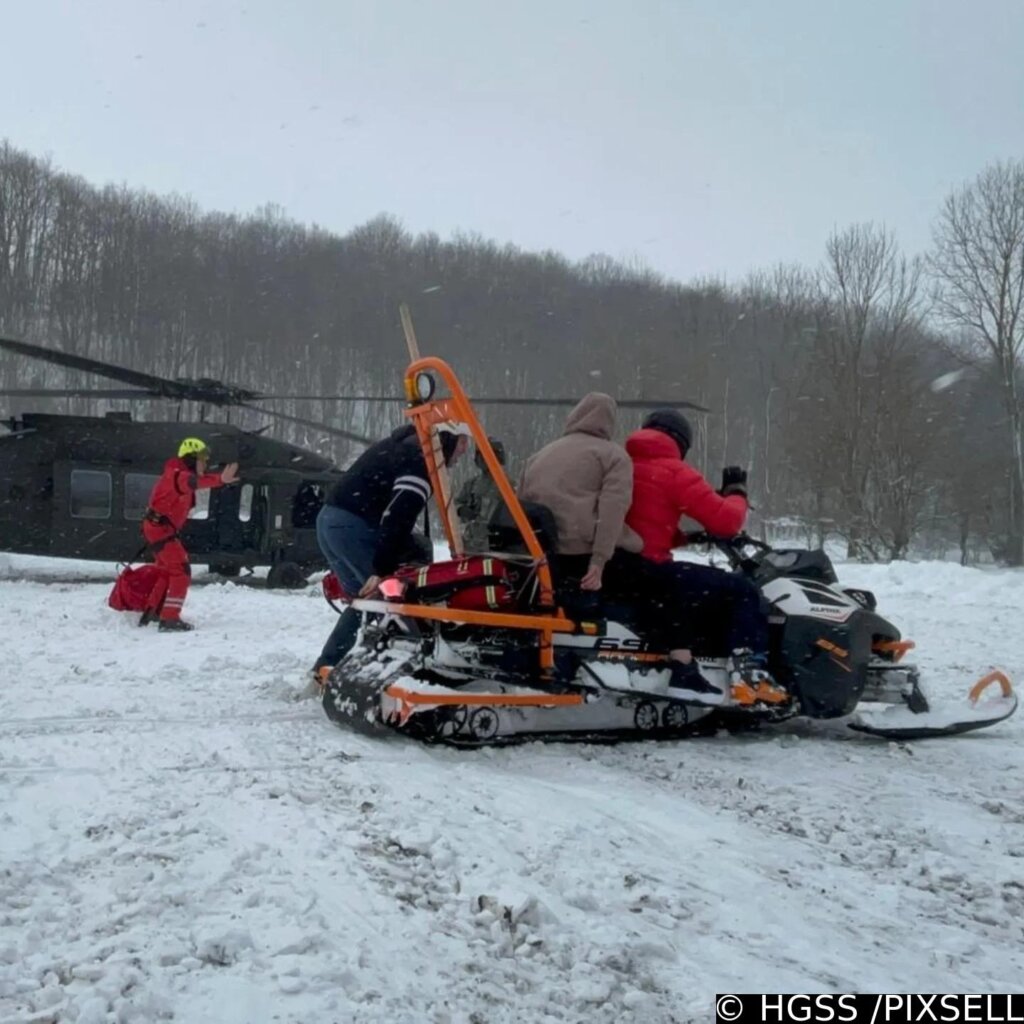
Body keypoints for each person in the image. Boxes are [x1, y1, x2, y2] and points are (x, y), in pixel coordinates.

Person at [625, 408, 774, 704]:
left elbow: (641, 521)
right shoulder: (674, 471)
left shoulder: (621, 464)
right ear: (681, 442)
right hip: (651, 570)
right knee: (742, 591)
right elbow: (727, 521)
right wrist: (736, 494)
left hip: (619, 566)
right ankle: (748, 674)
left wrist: (688, 536)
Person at [312, 420, 470, 678]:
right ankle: (410, 674)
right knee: (393, 598)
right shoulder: (421, 459)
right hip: (353, 527)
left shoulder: (403, 447)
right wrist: (381, 569)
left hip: (330, 522)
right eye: (463, 441)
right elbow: (398, 515)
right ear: (448, 439)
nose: (464, 450)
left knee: (365, 604)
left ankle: (325, 668)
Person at [518, 393, 642, 598]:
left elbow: (519, 506)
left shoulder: (539, 456)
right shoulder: (614, 456)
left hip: (542, 556)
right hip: (581, 556)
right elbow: (612, 510)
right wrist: (599, 561)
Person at [142, 437, 240, 631]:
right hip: (160, 529)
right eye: (202, 459)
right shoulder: (177, 475)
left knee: (166, 571)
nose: (205, 464)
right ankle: (169, 618)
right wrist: (220, 479)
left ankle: (153, 612)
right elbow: (193, 482)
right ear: (190, 458)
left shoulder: (176, 473)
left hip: (160, 528)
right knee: (181, 571)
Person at [455, 437, 506, 553]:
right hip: (471, 543)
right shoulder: (471, 484)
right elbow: (455, 504)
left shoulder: (508, 486)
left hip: (497, 545)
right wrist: (461, 509)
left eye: (486, 455)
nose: (483, 459)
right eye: (480, 455)